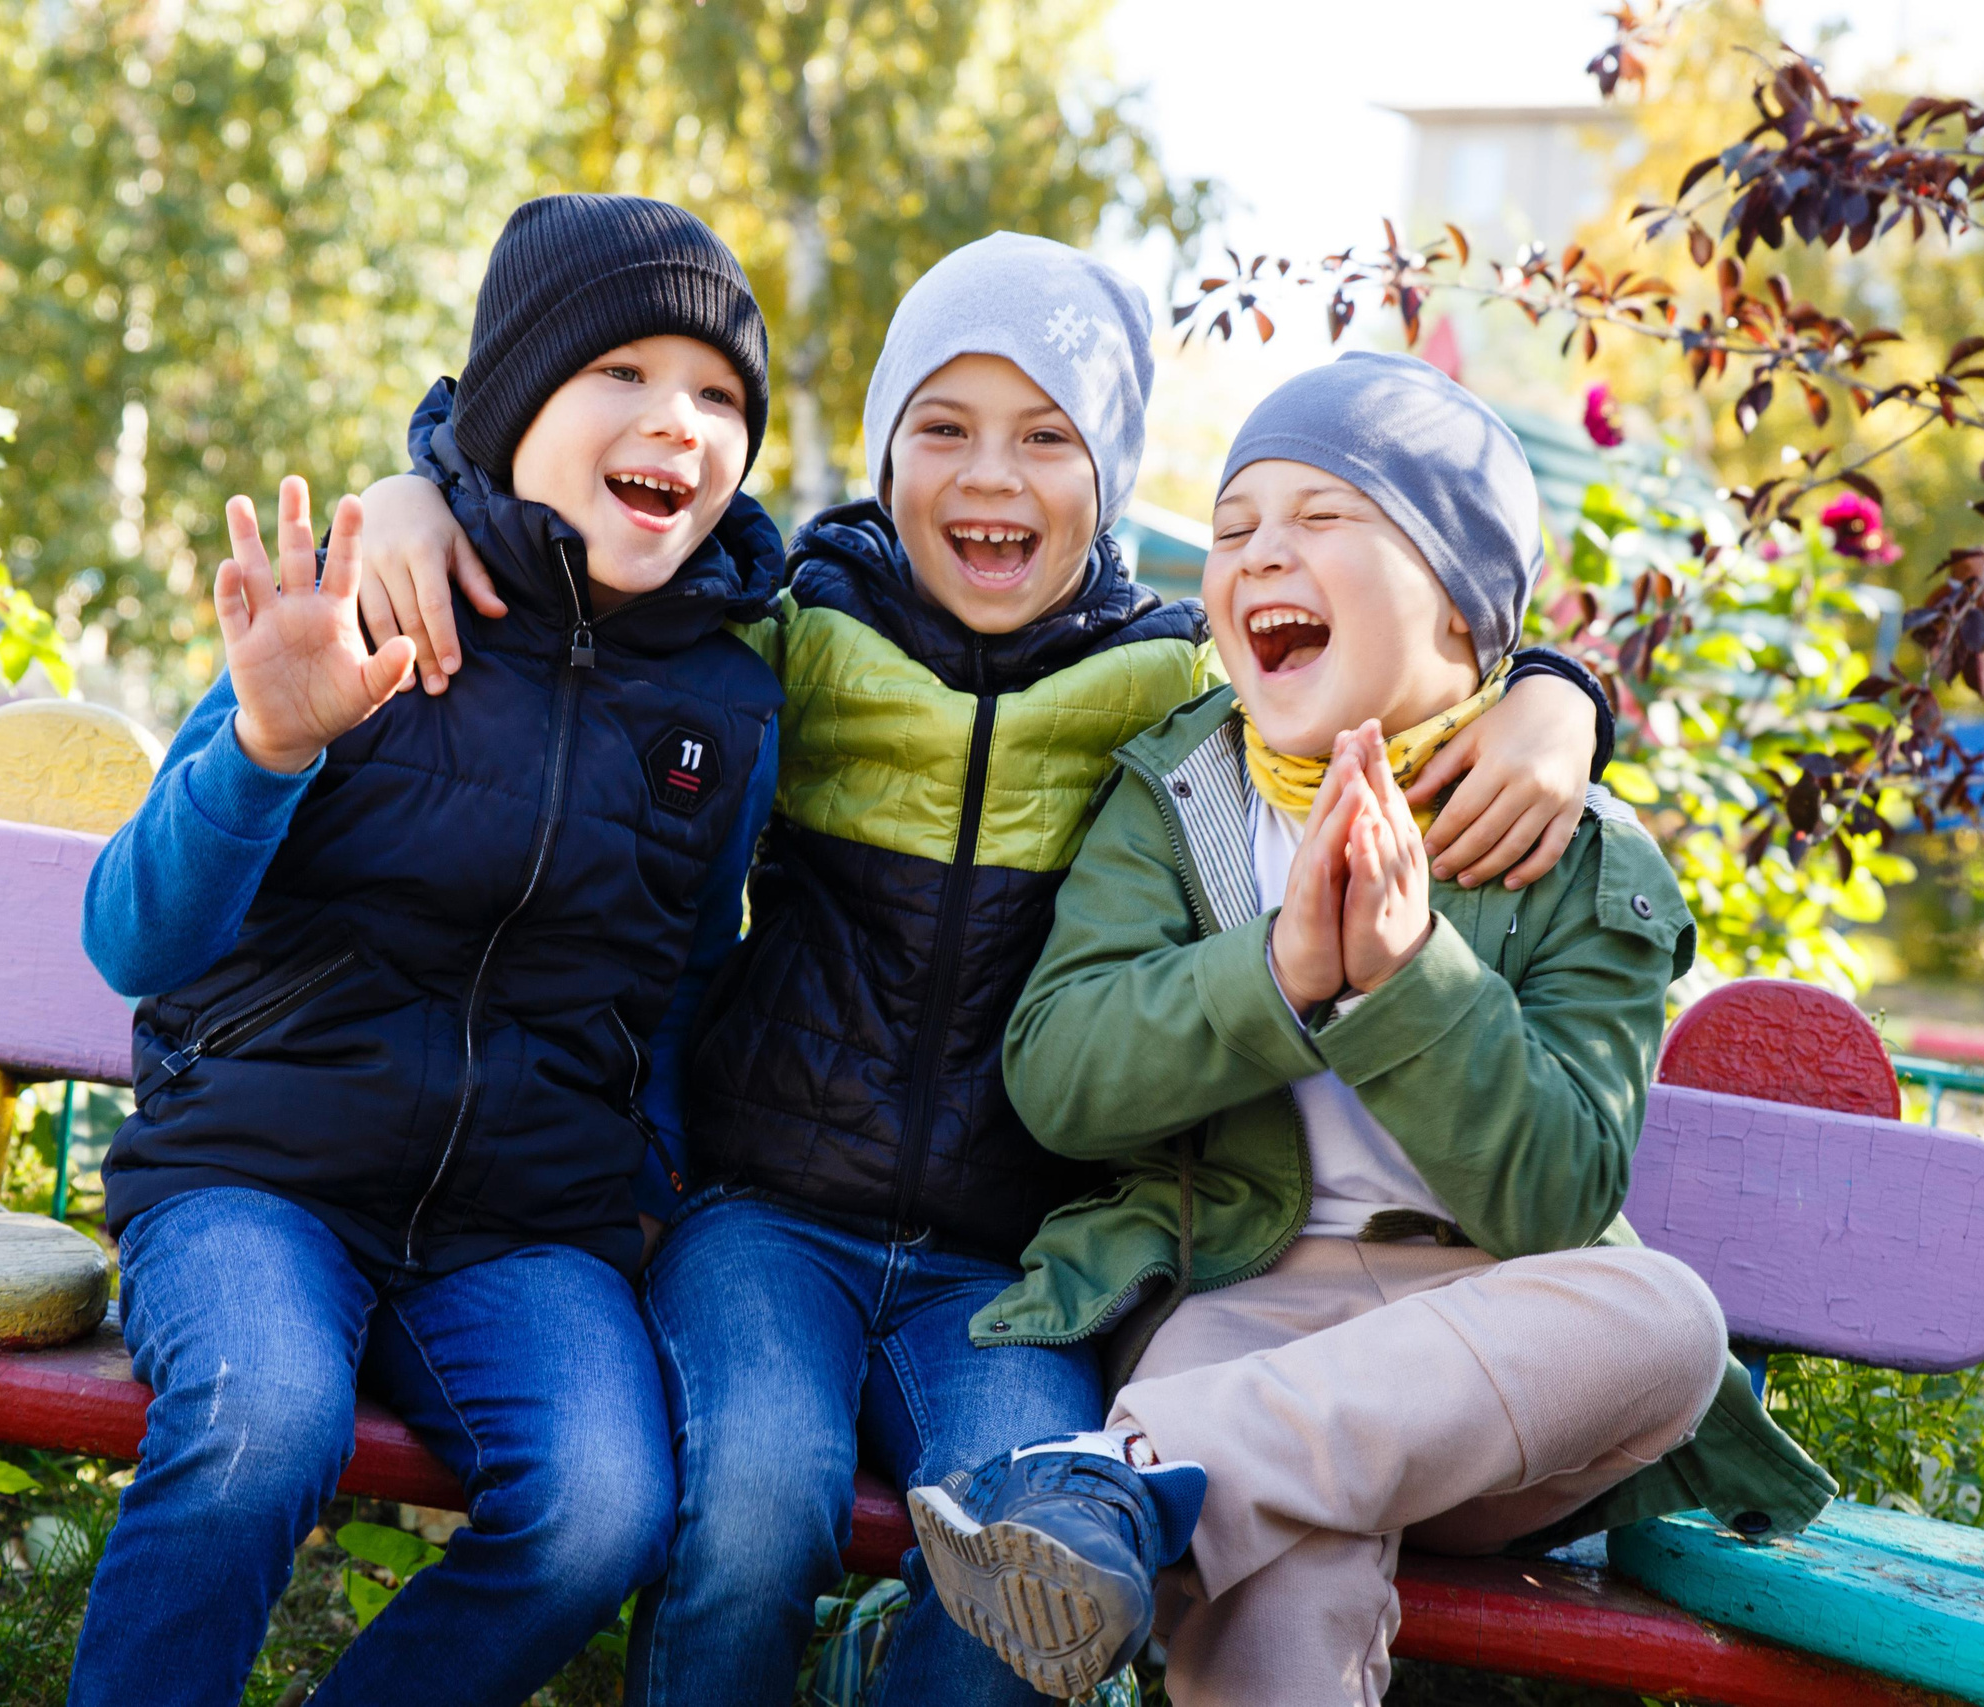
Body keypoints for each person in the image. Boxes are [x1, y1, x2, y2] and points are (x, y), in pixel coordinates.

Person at [351, 242, 1613, 1706]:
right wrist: (415, 491)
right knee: (760, 1502)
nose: (990, 476)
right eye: (941, 429)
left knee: (1019, 1556)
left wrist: (1558, 694)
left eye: (1047, 437)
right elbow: (595, 573)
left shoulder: (1167, 693)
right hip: (764, 1225)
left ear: (1114, 473)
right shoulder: (797, 637)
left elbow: (1391, 668)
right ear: (886, 455)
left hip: (1010, 1277)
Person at [909, 353, 1836, 1707]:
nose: (1259, 554)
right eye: (1234, 531)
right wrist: (1281, 973)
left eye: (1325, 517)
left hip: (1486, 1357)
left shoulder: (1576, 850)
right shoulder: (1180, 798)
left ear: (1462, 603)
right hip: (1239, 1310)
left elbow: (1563, 1196)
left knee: (1673, 1318)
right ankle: (1175, 1481)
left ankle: (1121, 1476)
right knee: (1282, 1573)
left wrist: (1407, 978)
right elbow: (1060, 1075)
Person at [66, 193, 788, 1707]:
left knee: (604, 1511)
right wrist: (265, 744)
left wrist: (645, 1178)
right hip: (258, 1180)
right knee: (263, 1421)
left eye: (720, 396)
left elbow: (684, 982)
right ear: (522, 393)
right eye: (626, 374)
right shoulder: (353, 600)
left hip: (523, 1231)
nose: (681, 421)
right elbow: (133, 937)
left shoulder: (724, 706)